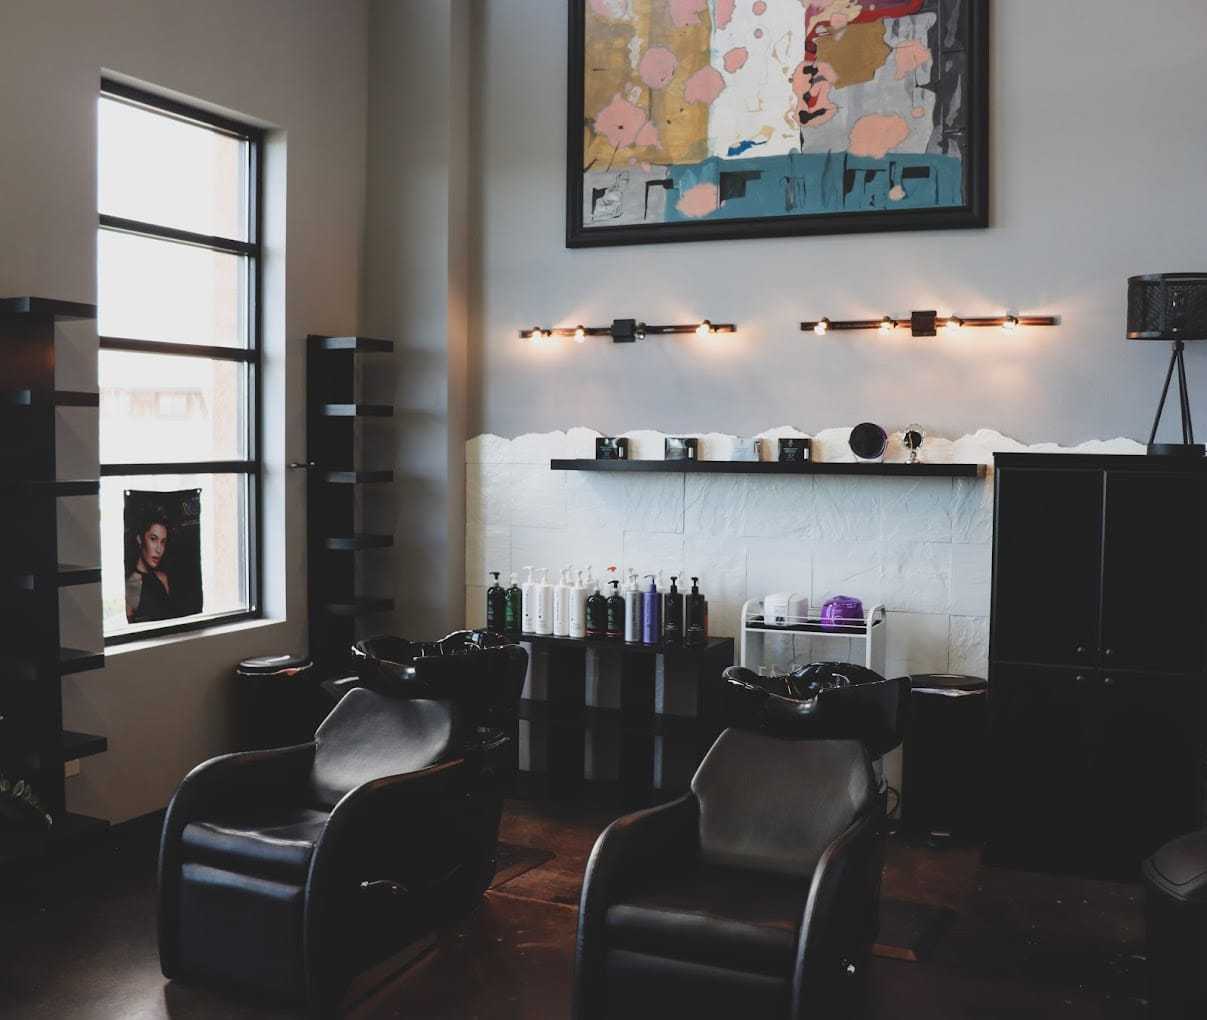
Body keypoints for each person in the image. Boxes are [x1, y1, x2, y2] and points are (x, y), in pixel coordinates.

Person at [125, 510, 176, 623]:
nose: (159, 550)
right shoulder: (129, 586)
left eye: (163, 542)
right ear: (140, 539)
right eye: (153, 539)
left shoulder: (162, 578)